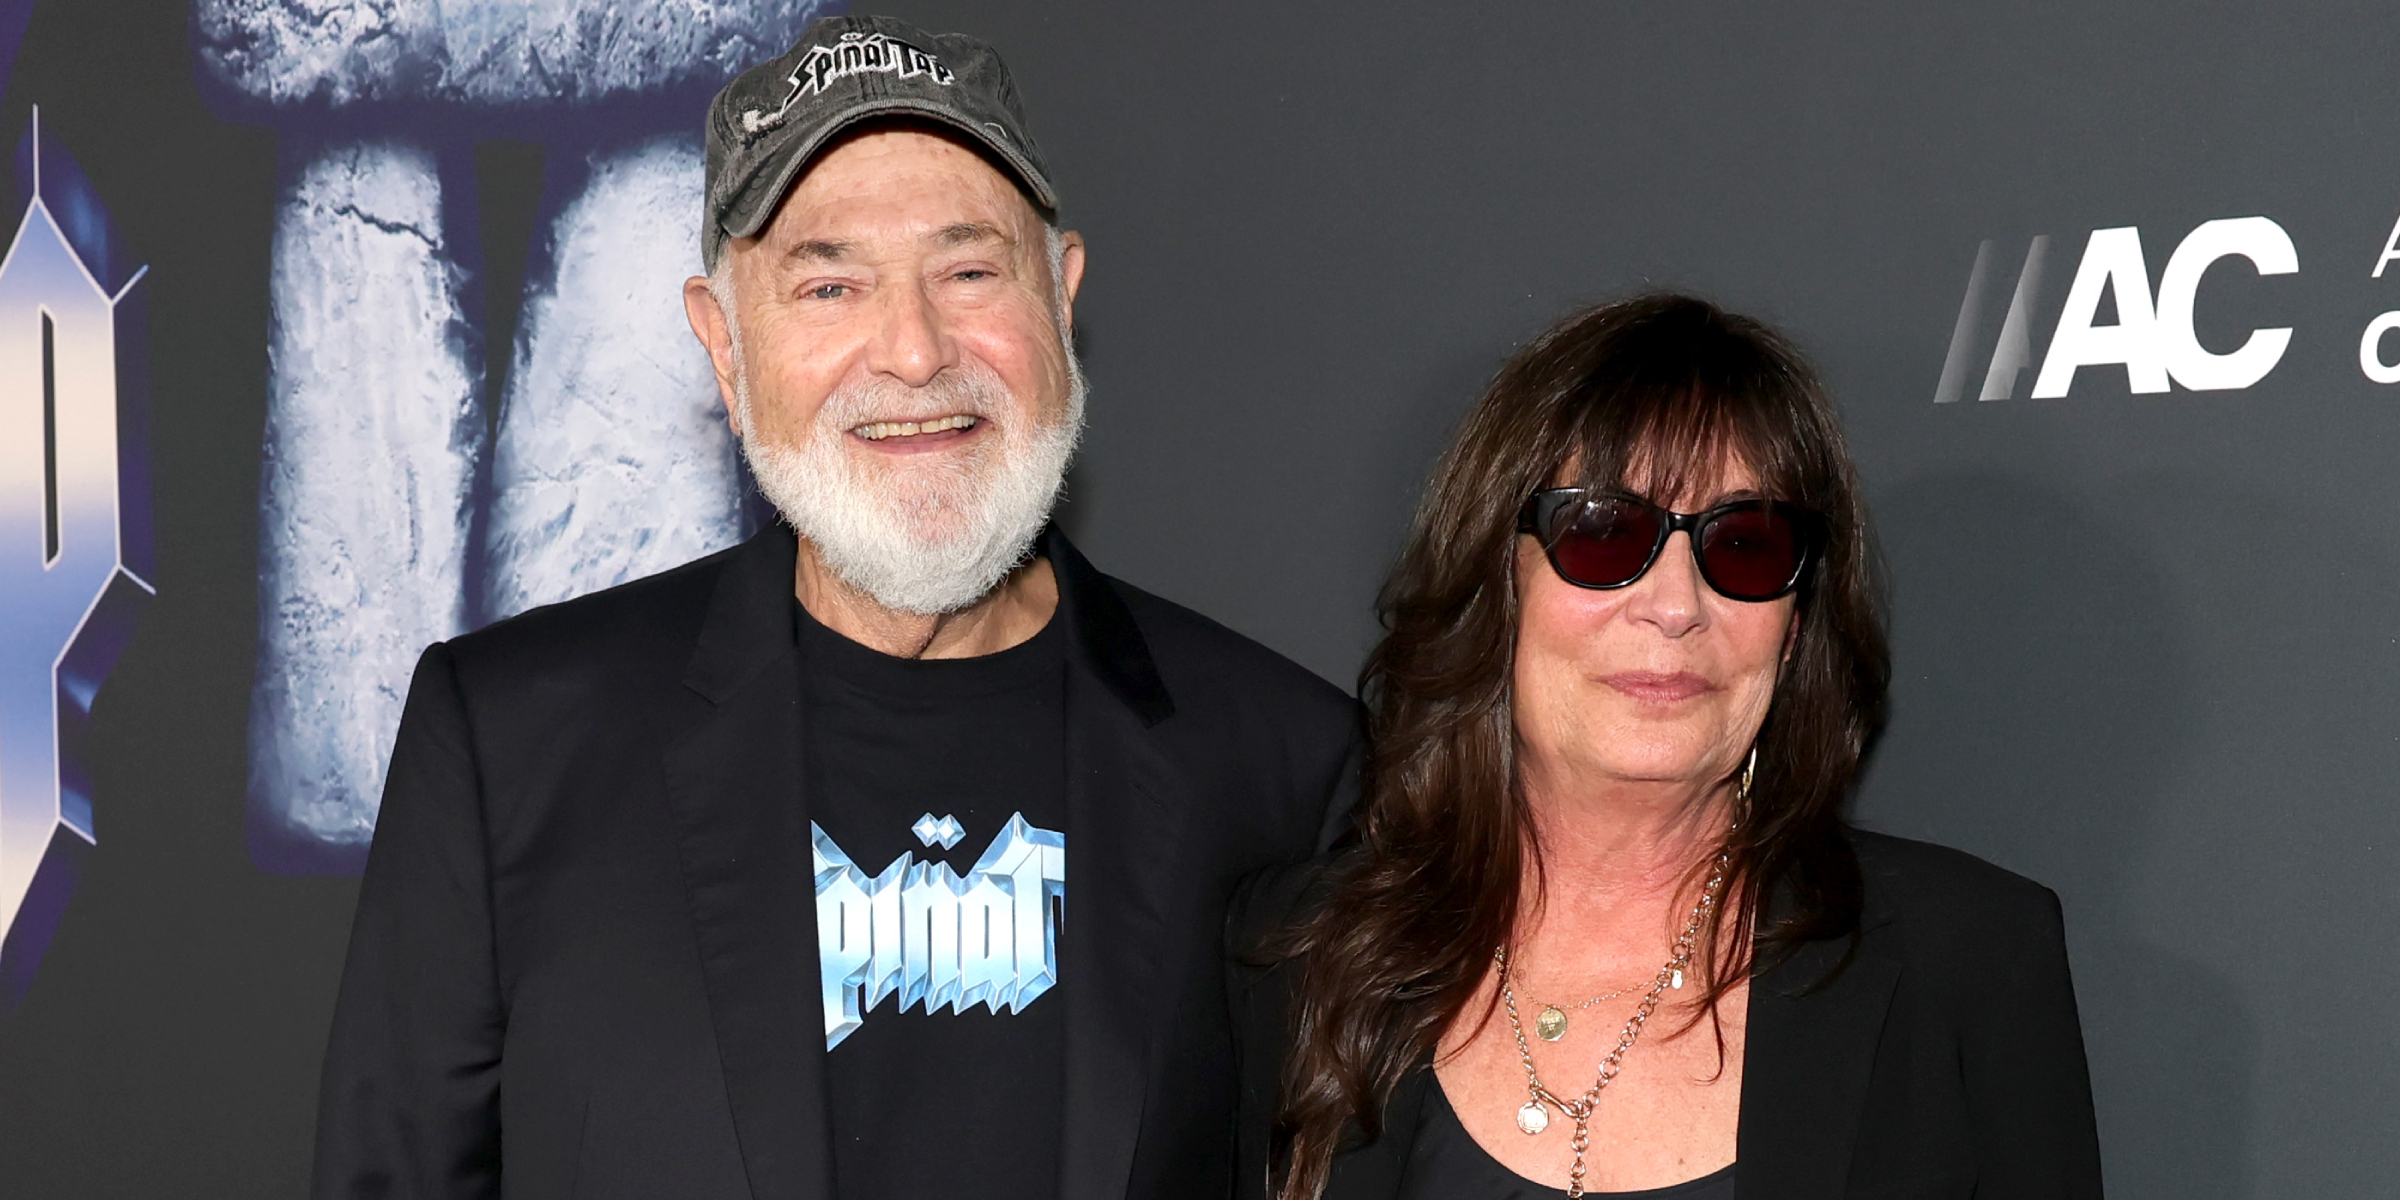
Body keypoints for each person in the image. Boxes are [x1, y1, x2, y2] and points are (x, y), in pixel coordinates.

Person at [311, 15, 1361, 1200]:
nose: (912, 351)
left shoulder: (1284, 767)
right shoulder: (512, 744)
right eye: (829, 284)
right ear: (723, 343)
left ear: (1061, 299)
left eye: (969, 272)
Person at [1229, 296, 2103, 1200]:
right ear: (1497, 582)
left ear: (1795, 626)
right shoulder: (1298, 956)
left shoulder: (1966, 960)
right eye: (1607, 533)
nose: (1677, 605)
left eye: (1746, 546)